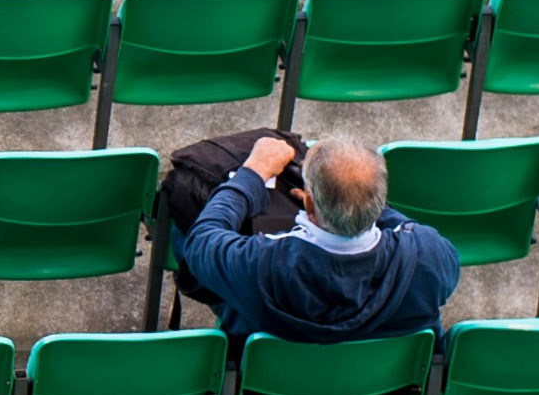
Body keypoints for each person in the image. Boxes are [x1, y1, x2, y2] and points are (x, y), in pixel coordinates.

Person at [170, 133, 459, 346]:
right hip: (382, 391)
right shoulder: (431, 256)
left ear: (308, 203)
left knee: (182, 231)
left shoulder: (260, 265)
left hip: (275, 392)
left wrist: (253, 173)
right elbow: (401, 225)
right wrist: (351, 201)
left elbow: (201, 241)